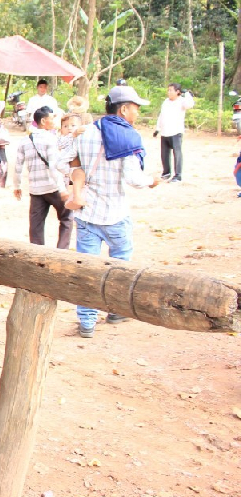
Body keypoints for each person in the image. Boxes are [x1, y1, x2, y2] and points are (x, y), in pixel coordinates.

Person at [59, 84, 161, 338]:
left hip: (86, 211)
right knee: (120, 265)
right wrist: (150, 181)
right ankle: (116, 310)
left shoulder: (84, 132)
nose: (136, 113)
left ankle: (87, 321)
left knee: (88, 268)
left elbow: (63, 162)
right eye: (135, 108)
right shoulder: (128, 137)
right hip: (115, 213)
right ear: (124, 109)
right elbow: (132, 178)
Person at [11, 108, 73, 249]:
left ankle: (37, 255)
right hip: (53, 187)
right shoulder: (50, 139)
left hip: (36, 190)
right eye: (52, 118)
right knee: (66, 218)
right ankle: (62, 252)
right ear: (44, 121)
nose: (54, 120)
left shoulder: (25, 141)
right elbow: (53, 166)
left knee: (36, 226)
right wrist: (62, 189)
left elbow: (18, 166)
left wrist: (17, 186)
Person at [155, 83, 195, 183]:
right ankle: (166, 173)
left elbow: (190, 104)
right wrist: (157, 128)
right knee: (164, 154)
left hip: (176, 132)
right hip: (165, 132)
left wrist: (187, 94)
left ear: (177, 92)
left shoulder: (182, 101)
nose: (169, 92)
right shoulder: (166, 102)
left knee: (177, 154)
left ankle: (178, 176)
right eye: (168, 90)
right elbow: (161, 115)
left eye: (171, 90)